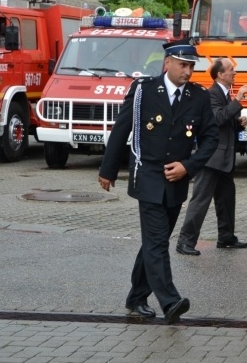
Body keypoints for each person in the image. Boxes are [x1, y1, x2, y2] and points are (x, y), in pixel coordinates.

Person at [98, 39, 218, 324]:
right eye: (183, 65)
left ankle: (136, 297)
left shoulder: (198, 97)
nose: (188, 72)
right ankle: (170, 301)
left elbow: (211, 138)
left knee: (156, 241)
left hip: (176, 180)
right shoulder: (144, 91)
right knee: (157, 243)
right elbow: (122, 129)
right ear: (167, 63)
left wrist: (188, 167)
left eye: (191, 66)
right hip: (148, 176)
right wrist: (108, 170)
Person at [176, 58, 247, 255]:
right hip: (211, 158)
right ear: (220, 74)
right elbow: (218, 118)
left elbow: (224, 122)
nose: (234, 73)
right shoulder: (211, 94)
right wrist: (238, 100)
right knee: (200, 200)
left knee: (227, 199)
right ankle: (185, 241)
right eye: (231, 70)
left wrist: (238, 122)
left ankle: (226, 237)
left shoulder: (225, 94)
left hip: (224, 159)